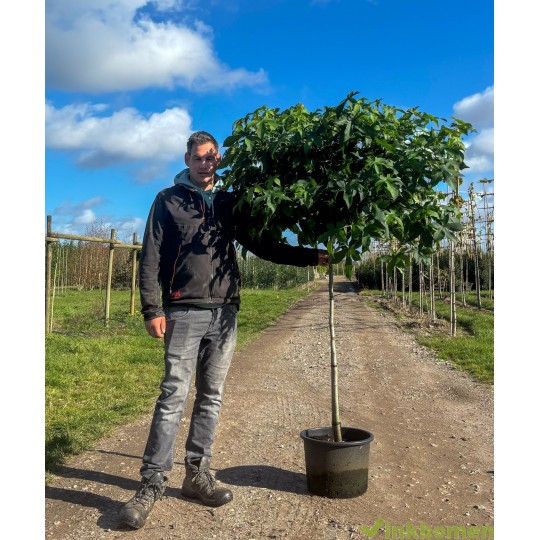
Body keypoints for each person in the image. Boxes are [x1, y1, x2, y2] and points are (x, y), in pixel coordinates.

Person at [118, 131, 328, 529]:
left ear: (219, 159)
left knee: (211, 397)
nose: (204, 164)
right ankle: (151, 483)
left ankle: (197, 475)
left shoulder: (231, 202)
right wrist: (152, 308)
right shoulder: (168, 200)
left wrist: (308, 257)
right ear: (187, 159)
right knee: (173, 397)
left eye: (211, 158)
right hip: (182, 311)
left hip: (225, 313)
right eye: (198, 158)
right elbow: (150, 256)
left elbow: (262, 243)